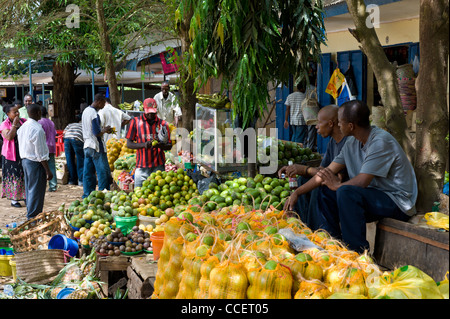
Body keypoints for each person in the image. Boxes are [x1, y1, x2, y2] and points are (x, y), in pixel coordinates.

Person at [285, 100, 417, 253]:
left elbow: (362, 181)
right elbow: (325, 173)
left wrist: (338, 186)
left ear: (351, 126)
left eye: (340, 123)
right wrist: (297, 192)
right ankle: (332, 244)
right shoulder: (351, 143)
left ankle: (356, 253)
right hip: (371, 196)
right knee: (325, 190)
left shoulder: (380, 141)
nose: (338, 126)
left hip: (397, 201)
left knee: (345, 192)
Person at [279, 105, 348, 229]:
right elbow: (321, 171)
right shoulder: (332, 142)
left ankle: (318, 231)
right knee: (302, 180)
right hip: (332, 182)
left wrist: (305, 169)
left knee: (317, 188)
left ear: (331, 123)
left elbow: (324, 175)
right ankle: (301, 226)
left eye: (319, 123)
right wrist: (300, 170)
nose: (316, 127)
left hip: (344, 188)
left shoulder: (348, 143)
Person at [125, 98, 172, 188]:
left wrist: (160, 145)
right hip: (141, 167)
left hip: (158, 167)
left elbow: (169, 145)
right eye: (148, 112)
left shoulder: (163, 124)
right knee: (139, 195)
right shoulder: (135, 122)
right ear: (144, 110)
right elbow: (129, 144)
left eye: (153, 112)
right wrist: (144, 145)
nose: (150, 115)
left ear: (156, 111)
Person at [17, 104, 53, 219]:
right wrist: (48, 170)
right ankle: (33, 217)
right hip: (35, 163)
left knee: (30, 189)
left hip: (25, 161)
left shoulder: (23, 127)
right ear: (38, 113)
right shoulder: (37, 129)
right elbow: (41, 154)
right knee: (36, 191)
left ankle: (31, 215)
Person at [81, 93, 112, 198]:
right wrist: (105, 130)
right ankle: (103, 194)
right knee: (102, 172)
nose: (103, 106)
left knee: (88, 173)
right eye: (103, 103)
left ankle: (87, 194)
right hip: (95, 146)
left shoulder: (85, 111)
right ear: (98, 102)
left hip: (87, 145)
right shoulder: (94, 114)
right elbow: (96, 132)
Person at [0, 104, 27, 207]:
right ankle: (14, 200)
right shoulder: (4, 124)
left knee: (23, 174)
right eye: (14, 112)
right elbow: (9, 137)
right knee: (14, 176)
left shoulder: (23, 121)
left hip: (23, 152)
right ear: (8, 114)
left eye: (18, 111)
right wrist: (14, 125)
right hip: (11, 155)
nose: (17, 114)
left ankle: (25, 196)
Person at [38, 106, 58, 192]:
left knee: (41, 167)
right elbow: (55, 134)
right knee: (51, 166)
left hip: (43, 147)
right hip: (52, 146)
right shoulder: (51, 122)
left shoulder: (39, 122)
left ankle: (41, 186)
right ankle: (53, 186)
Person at [63, 118, 84, 186]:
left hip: (67, 139)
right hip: (77, 139)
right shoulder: (84, 125)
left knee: (69, 160)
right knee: (80, 160)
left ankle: (72, 180)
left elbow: (64, 132)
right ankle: (81, 180)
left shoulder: (70, 125)